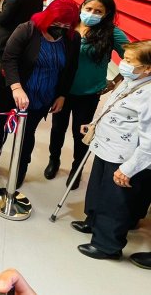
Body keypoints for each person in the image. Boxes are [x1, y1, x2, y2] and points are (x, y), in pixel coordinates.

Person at [0, 0, 81, 188]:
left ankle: (20, 169)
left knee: (27, 134)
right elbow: (9, 58)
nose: (61, 28)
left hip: (42, 95)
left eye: (66, 25)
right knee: (0, 128)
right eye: (57, 23)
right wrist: (16, 87)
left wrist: (62, 95)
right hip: (12, 91)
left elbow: (71, 69)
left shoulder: (72, 38)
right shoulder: (28, 29)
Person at [72, 40, 151, 261]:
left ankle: (107, 245)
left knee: (114, 200)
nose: (123, 64)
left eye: (129, 61)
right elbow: (112, 107)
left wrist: (129, 168)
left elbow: (149, 141)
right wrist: (94, 124)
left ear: (147, 68)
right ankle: (93, 222)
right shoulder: (130, 80)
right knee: (98, 190)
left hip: (124, 156)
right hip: (106, 146)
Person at [46, 0, 129, 188]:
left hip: (88, 94)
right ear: (81, 7)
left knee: (80, 133)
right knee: (57, 128)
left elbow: (135, 59)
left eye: (98, 11)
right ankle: (53, 160)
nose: (91, 14)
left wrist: (116, 80)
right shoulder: (70, 25)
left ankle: (77, 168)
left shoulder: (112, 33)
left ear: (106, 14)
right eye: (88, 9)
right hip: (62, 91)